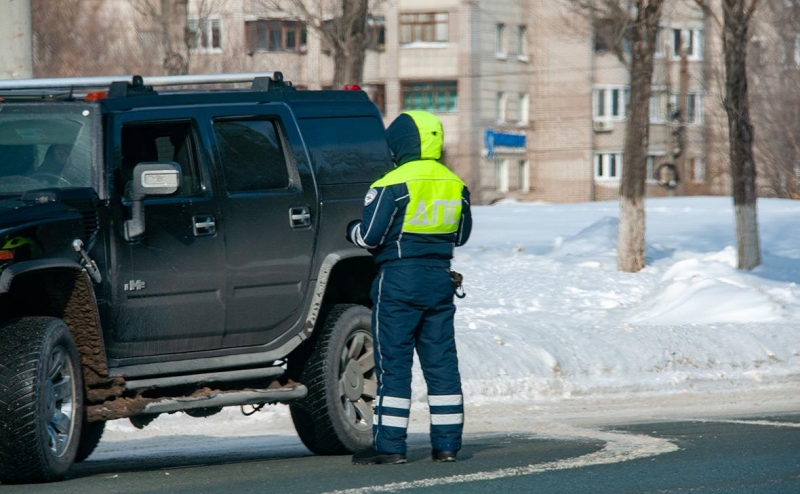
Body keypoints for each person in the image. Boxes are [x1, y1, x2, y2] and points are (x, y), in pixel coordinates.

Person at [346, 110, 472, 465]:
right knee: (442, 364)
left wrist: (352, 230)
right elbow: (461, 235)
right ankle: (447, 446)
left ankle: (390, 447)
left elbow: (370, 237)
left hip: (399, 279)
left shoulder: (391, 183)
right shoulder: (455, 183)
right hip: (439, 279)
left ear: (399, 144)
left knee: (393, 364)